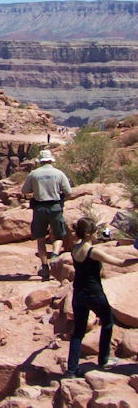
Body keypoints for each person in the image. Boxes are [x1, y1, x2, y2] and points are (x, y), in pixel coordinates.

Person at [65, 217, 138, 378]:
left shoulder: (75, 248)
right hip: (94, 293)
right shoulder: (93, 252)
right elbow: (120, 263)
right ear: (88, 233)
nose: (97, 234)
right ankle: (103, 359)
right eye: (95, 231)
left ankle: (72, 370)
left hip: (78, 293)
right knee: (108, 322)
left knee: (78, 332)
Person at [21, 149, 72, 280]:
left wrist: (36, 189)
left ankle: (44, 267)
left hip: (39, 208)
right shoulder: (58, 173)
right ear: (51, 160)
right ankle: (54, 256)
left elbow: (25, 190)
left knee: (41, 238)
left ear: (40, 161)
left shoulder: (34, 174)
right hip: (55, 207)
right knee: (59, 235)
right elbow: (68, 191)